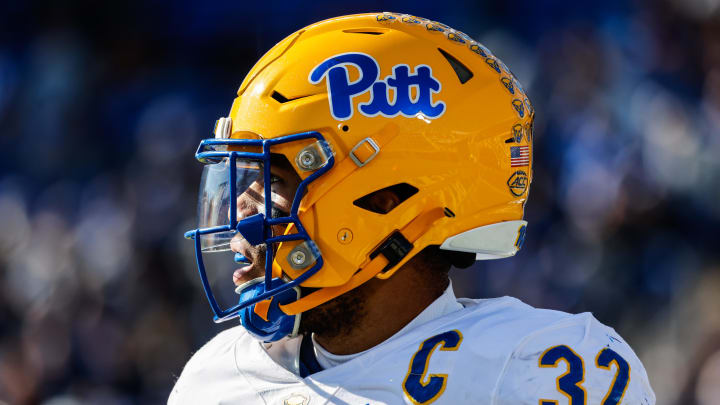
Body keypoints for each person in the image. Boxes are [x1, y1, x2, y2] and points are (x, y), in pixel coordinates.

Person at [171, 12, 656, 404]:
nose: (240, 211)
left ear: (386, 202)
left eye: (274, 180)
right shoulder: (216, 378)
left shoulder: (535, 367)